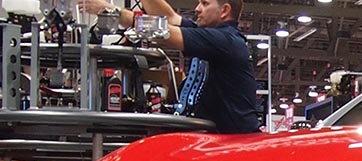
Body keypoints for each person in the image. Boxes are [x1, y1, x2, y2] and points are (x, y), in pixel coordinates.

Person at [80, 0, 261, 134]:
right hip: (215, 139)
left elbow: (164, 31)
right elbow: (170, 18)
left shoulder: (227, 41)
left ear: (224, 10)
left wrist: (111, 11)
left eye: (205, 3)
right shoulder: (210, 34)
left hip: (232, 143)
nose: (197, 8)